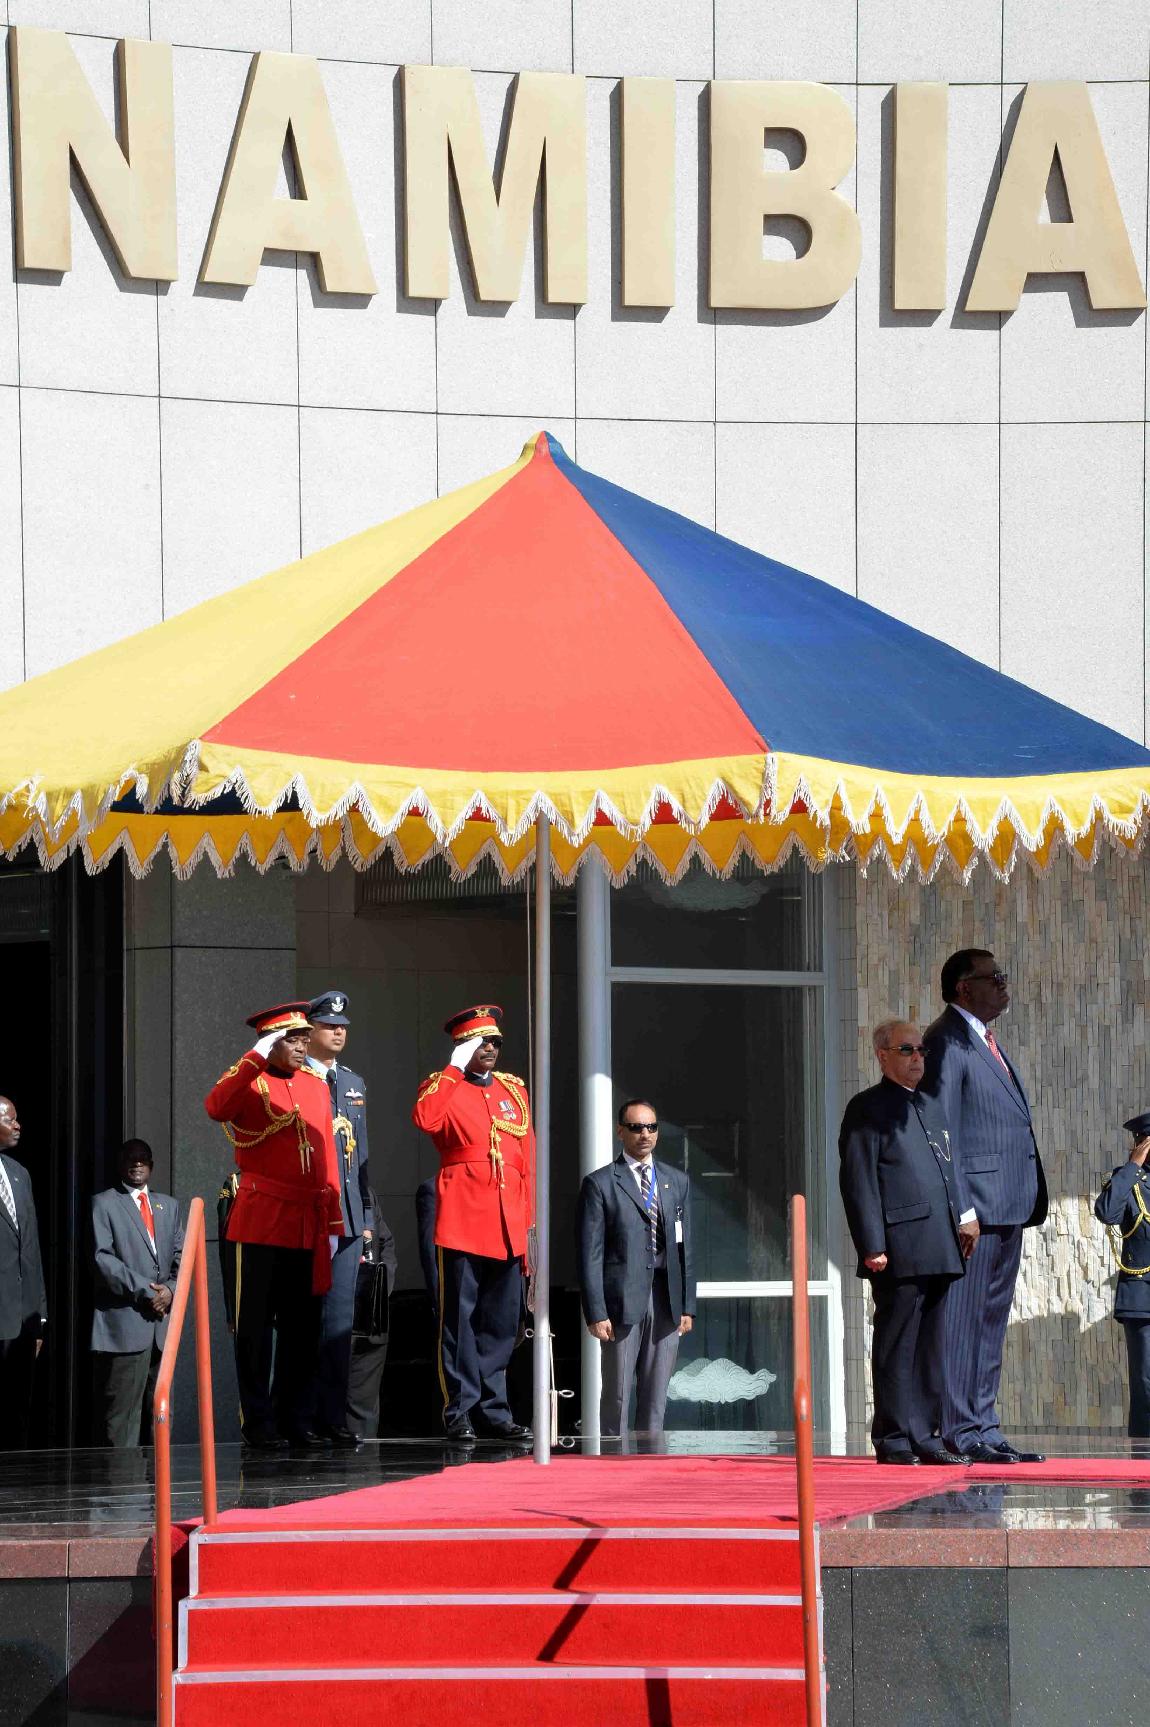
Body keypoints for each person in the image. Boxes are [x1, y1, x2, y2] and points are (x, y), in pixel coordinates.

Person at [922, 950, 1048, 1463]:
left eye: (1002, 976)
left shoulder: (984, 1039)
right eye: (992, 977)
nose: (1002, 984)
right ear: (963, 988)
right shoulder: (946, 1040)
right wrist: (962, 1209)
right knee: (962, 1324)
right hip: (977, 1210)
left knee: (991, 1323)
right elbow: (941, 1131)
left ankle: (985, 1426)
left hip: (1009, 1205)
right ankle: (959, 1430)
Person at [204, 1002, 343, 1450]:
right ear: (270, 1043)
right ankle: (258, 1421)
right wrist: (254, 1058)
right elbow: (215, 1107)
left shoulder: (315, 1086)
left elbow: (327, 1157)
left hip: (306, 1221)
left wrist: (334, 1219)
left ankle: (294, 1418)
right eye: (292, 1039)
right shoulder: (250, 1080)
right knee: (255, 1330)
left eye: (304, 1038)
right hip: (260, 1222)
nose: (302, 1046)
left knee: (303, 1330)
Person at [838, 1021, 977, 1466]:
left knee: (931, 1345)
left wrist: (966, 1217)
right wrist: (871, 1244)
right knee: (898, 1343)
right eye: (907, 1050)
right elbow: (858, 1180)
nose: (918, 1057)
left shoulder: (930, 1104)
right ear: (882, 1055)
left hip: (940, 1241)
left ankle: (925, 1434)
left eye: (921, 1050)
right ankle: (894, 1437)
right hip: (898, 1245)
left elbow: (950, 1169)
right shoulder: (868, 1107)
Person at [412, 1004, 534, 1442]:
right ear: (462, 1046)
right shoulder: (442, 1086)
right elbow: (426, 1119)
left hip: (508, 1221)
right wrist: (452, 1068)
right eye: (480, 1042)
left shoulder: (513, 1091)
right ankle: (459, 1409)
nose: (490, 1049)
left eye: (495, 1042)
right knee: (459, 1322)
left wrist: (530, 1225)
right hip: (462, 1217)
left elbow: (527, 1162)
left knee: (501, 1323)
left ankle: (494, 1411)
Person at [577, 1099, 695, 1439]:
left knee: (656, 1395)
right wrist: (596, 1311)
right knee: (617, 1394)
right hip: (621, 1302)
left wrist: (687, 1305)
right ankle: (614, 1460)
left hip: (666, 1299)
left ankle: (650, 1462)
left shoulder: (676, 1181)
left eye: (651, 1127)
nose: (645, 1134)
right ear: (620, 1132)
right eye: (636, 1127)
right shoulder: (600, 1183)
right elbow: (590, 1254)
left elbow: (686, 1248)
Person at [306, 989, 377, 1447]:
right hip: (311, 1217)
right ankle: (300, 1416)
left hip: (348, 1218)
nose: (338, 1032)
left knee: (338, 1324)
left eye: (343, 1027)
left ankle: (332, 1417)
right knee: (303, 1322)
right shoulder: (297, 1078)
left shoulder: (353, 1082)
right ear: (309, 1029)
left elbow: (362, 1154)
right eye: (329, 1025)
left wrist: (366, 1214)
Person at [90, 1140, 184, 1447]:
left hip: (162, 1328)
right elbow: (103, 1260)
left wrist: (170, 1290)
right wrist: (148, 1292)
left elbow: (183, 1257)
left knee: (162, 1418)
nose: (137, 1163)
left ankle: (159, 1479)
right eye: (130, 1158)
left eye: (143, 1158)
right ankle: (122, 1479)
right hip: (126, 1326)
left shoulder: (168, 1206)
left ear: (152, 1165)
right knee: (123, 1422)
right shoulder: (104, 1203)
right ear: (121, 1164)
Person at [1095, 1110, 1150, 1440]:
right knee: (1146, 1383)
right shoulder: (1130, 1181)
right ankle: (1143, 1456)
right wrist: (1132, 1167)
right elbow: (1107, 1213)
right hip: (1143, 1299)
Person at [0, 1096, 46, 1449]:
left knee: (17, 1413)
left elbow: (30, 1250)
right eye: (10, 1120)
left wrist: (40, 1316)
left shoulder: (20, 1174)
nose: (18, 1125)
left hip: (23, 1320)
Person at [346, 1187, 398, 1440]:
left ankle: (364, 1457)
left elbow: (385, 1242)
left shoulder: (366, 1193)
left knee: (363, 1412)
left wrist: (379, 1291)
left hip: (369, 1317)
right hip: (333, 1314)